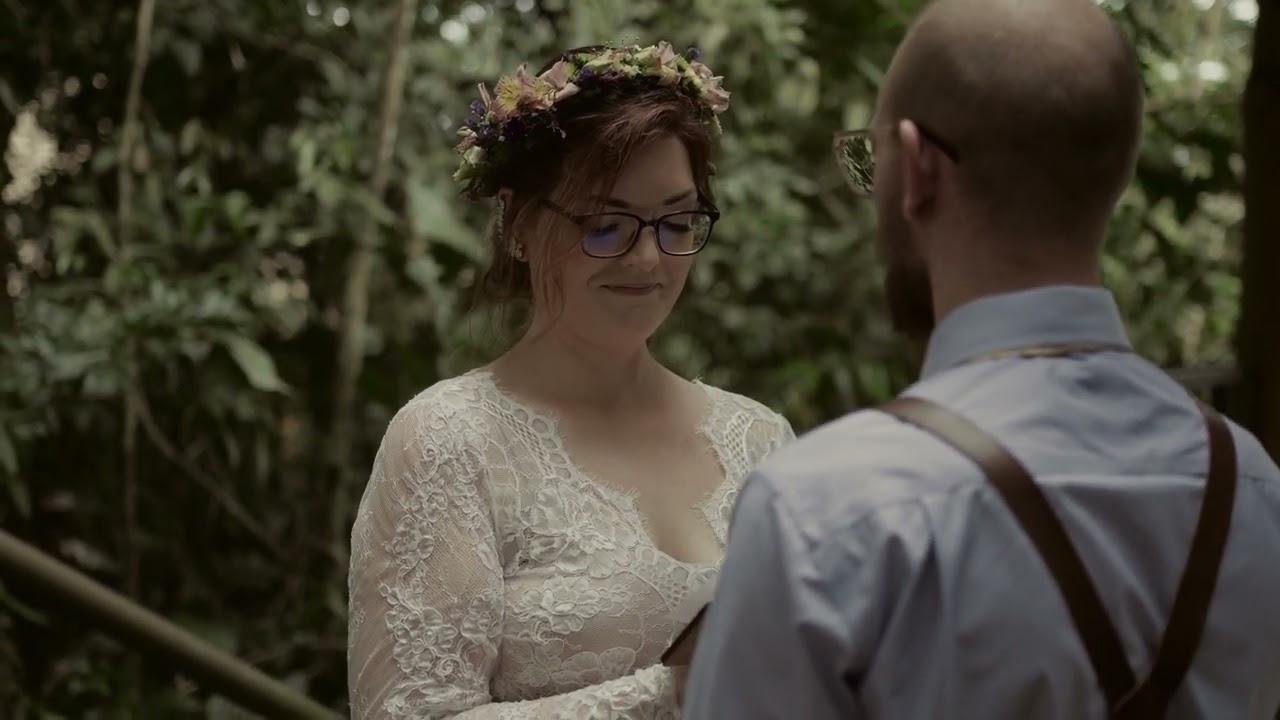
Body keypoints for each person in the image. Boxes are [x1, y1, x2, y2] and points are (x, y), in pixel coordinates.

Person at [682, 0, 1280, 717]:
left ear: (922, 168)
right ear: (1118, 174)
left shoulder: (822, 512)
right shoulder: (1251, 484)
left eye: (875, 159)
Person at [346, 42, 795, 718]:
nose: (648, 258)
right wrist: (672, 692)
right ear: (521, 224)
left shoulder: (759, 438)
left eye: (676, 222)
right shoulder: (448, 439)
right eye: (605, 225)